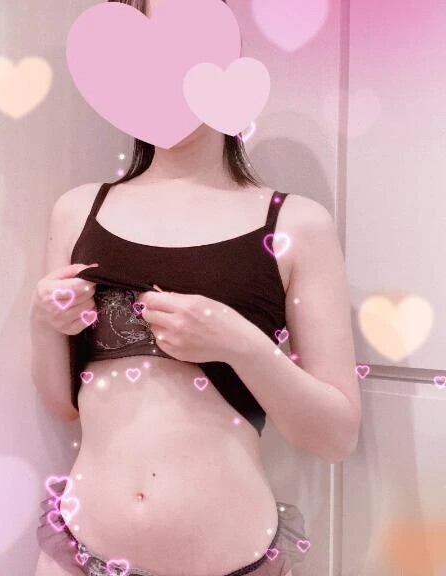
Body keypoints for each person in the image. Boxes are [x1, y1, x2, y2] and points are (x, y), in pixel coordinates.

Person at [30, 2, 361, 575]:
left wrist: (242, 345)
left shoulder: (296, 225)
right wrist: (43, 322)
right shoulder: (78, 210)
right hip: (78, 555)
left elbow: (335, 437)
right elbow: (62, 406)